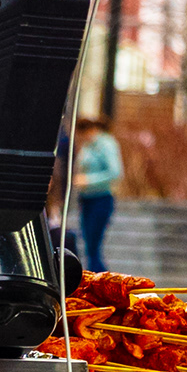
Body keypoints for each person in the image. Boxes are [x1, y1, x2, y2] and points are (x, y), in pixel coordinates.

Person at [71, 114, 120, 270]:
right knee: (89, 245)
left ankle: (100, 279)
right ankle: (96, 277)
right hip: (86, 199)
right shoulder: (88, 146)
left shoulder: (106, 144)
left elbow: (115, 172)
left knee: (94, 246)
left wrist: (88, 180)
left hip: (101, 198)